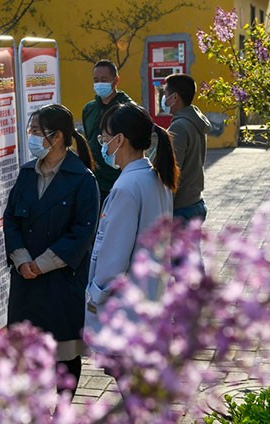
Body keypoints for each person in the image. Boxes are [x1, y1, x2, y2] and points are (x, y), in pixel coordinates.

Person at [3, 104, 100, 397]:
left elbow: (82, 233)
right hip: (26, 280)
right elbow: (10, 219)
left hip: (60, 280)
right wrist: (21, 260)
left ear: (57, 137)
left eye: (35, 132)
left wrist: (41, 264)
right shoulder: (26, 173)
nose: (31, 137)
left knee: (64, 352)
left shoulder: (83, 179)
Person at [84, 103, 179, 340]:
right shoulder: (155, 177)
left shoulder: (126, 187)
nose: (102, 143)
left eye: (104, 137)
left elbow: (113, 257)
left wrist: (96, 296)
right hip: (152, 298)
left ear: (120, 140)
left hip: (127, 309)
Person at [82, 59, 135, 205]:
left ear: (116, 80)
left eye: (104, 79)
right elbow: (89, 140)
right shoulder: (89, 109)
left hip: (119, 181)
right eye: (96, 80)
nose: (99, 83)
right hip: (94, 182)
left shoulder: (127, 109)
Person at [162, 73, 210, 224]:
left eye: (166, 94)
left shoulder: (178, 127)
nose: (164, 98)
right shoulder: (194, 121)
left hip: (181, 210)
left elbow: (173, 172)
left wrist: (164, 210)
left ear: (175, 97)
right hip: (195, 203)